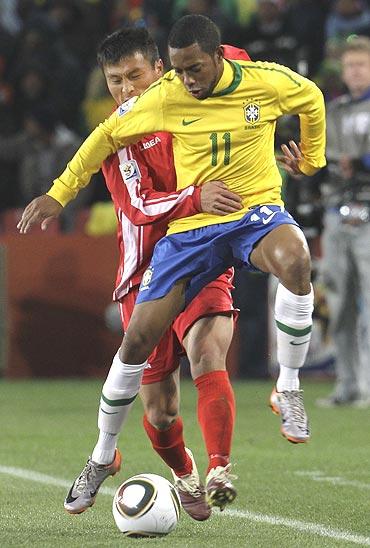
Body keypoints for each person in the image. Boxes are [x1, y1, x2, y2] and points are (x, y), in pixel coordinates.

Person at [18, 14, 325, 463]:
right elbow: (109, 150)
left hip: (250, 213)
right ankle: (104, 456)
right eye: (115, 81)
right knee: (143, 360)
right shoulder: (159, 102)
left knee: (292, 263)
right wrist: (59, 194)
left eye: (193, 69)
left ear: (215, 58)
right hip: (185, 236)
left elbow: (312, 98)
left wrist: (313, 160)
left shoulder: (260, 79)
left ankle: (283, 395)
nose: (186, 81)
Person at [20, 28, 250, 520]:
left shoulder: (198, 101)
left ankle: (219, 470)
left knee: (209, 351)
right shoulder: (120, 132)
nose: (125, 90)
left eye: (135, 76)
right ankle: (176, 467)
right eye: (114, 81)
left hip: (203, 256)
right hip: (145, 271)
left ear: (160, 70)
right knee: (160, 410)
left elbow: (235, 62)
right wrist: (195, 197)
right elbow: (141, 205)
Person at [316, 36, 370, 407]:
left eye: (362, 64)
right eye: (350, 65)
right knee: (339, 305)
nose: (354, 71)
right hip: (337, 213)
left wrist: (362, 164)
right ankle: (348, 384)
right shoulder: (333, 110)